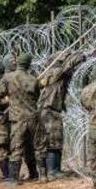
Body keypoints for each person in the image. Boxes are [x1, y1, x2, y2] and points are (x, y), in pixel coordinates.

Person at [36, 51, 88, 181]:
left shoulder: (54, 73)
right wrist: (81, 55)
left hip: (49, 110)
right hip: (50, 110)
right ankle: (53, 170)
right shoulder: (56, 71)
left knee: (54, 139)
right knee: (54, 139)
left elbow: (71, 70)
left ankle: (53, 169)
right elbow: (69, 65)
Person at [5, 53, 41, 184]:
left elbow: (1, 93)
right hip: (32, 117)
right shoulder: (33, 80)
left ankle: (14, 178)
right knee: (33, 146)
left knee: (17, 146)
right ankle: (36, 174)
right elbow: (36, 97)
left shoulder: (8, 78)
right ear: (29, 64)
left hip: (17, 118)